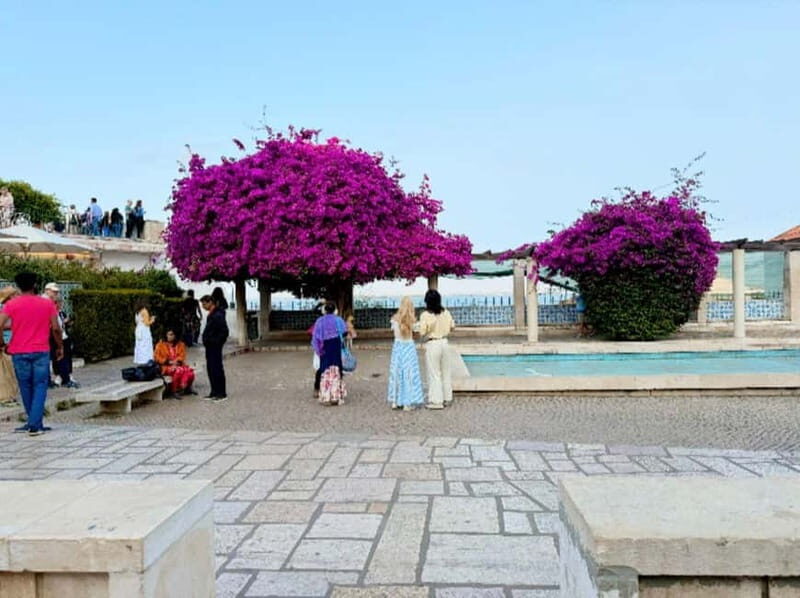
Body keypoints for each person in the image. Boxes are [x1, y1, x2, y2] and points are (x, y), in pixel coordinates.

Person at [0, 272, 63, 436]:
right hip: (41, 350)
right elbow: (56, 328)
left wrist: (2, 343)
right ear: (35, 285)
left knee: (25, 386)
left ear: (18, 286)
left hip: (18, 351)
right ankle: (35, 424)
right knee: (40, 385)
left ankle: (32, 422)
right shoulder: (46, 304)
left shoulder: (12, 304)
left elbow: (0, 324)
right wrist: (59, 346)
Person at [417, 289, 455, 410]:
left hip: (433, 344)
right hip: (445, 342)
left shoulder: (425, 315)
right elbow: (452, 326)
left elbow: (422, 331)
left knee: (434, 373)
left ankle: (436, 400)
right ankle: (447, 397)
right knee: (446, 371)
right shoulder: (446, 312)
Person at [387, 296, 424, 411]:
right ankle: (407, 402)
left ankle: (395, 401)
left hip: (398, 347)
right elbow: (417, 335)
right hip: (408, 347)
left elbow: (395, 335)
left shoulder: (394, 320)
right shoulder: (412, 321)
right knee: (409, 373)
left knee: (396, 372)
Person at [42, 283, 79, 388]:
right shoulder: (46, 303)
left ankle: (59, 379)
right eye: (53, 291)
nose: (55, 293)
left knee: (56, 358)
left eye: (57, 291)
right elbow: (54, 326)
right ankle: (64, 379)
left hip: (56, 333)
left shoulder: (49, 303)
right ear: (47, 290)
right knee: (58, 357)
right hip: (52, 334)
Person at [311, 302, 347, 406]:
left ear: (325, 310)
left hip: (324, 347)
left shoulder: (320, 321)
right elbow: (344, 332)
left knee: (325, 370)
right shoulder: (338, 320)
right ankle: (335, 396)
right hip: (335, 346)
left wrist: (318, 350)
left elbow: (316, 337)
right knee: (336, 370)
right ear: (335, 310)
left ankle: (326, 396)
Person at [201, 295, 228, 401]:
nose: (203, 306)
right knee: (211, 368)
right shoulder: (211, 315)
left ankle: (221, 393)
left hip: (215, 346)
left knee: (217, 369)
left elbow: (224, 331)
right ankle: (214, 391)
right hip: (209, 346)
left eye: (204, 304)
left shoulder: (218, 315)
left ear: (210, 302)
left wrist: (216, 342)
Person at [154, 329, 196, 397]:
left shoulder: (180, 344)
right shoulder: (160, 345)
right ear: (165, 335)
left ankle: (187, 388)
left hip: (178, 364)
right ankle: (174, 390)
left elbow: (182, 356)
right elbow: (156, 357)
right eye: (169, 334)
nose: (170, 336)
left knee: (191, 373)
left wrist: (177, 361)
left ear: (175, 336)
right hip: (165, 366)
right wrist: (168, 362)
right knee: (179, 371)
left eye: (172, 334)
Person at [0, 286, 19, 402]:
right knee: (7, 371)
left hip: (11, 342)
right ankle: (7, 395)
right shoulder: (6, 308)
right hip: (7, 343)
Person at [133, 301, 155, 365]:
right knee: (146, 345)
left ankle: (140, 360)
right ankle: (146, 360)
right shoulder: (144, 311)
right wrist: (152, 320)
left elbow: (139, 322)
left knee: (140, 345)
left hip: (138, 330)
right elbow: (147, 323)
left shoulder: (137, 312)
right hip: (144, 331)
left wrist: (148, 319)